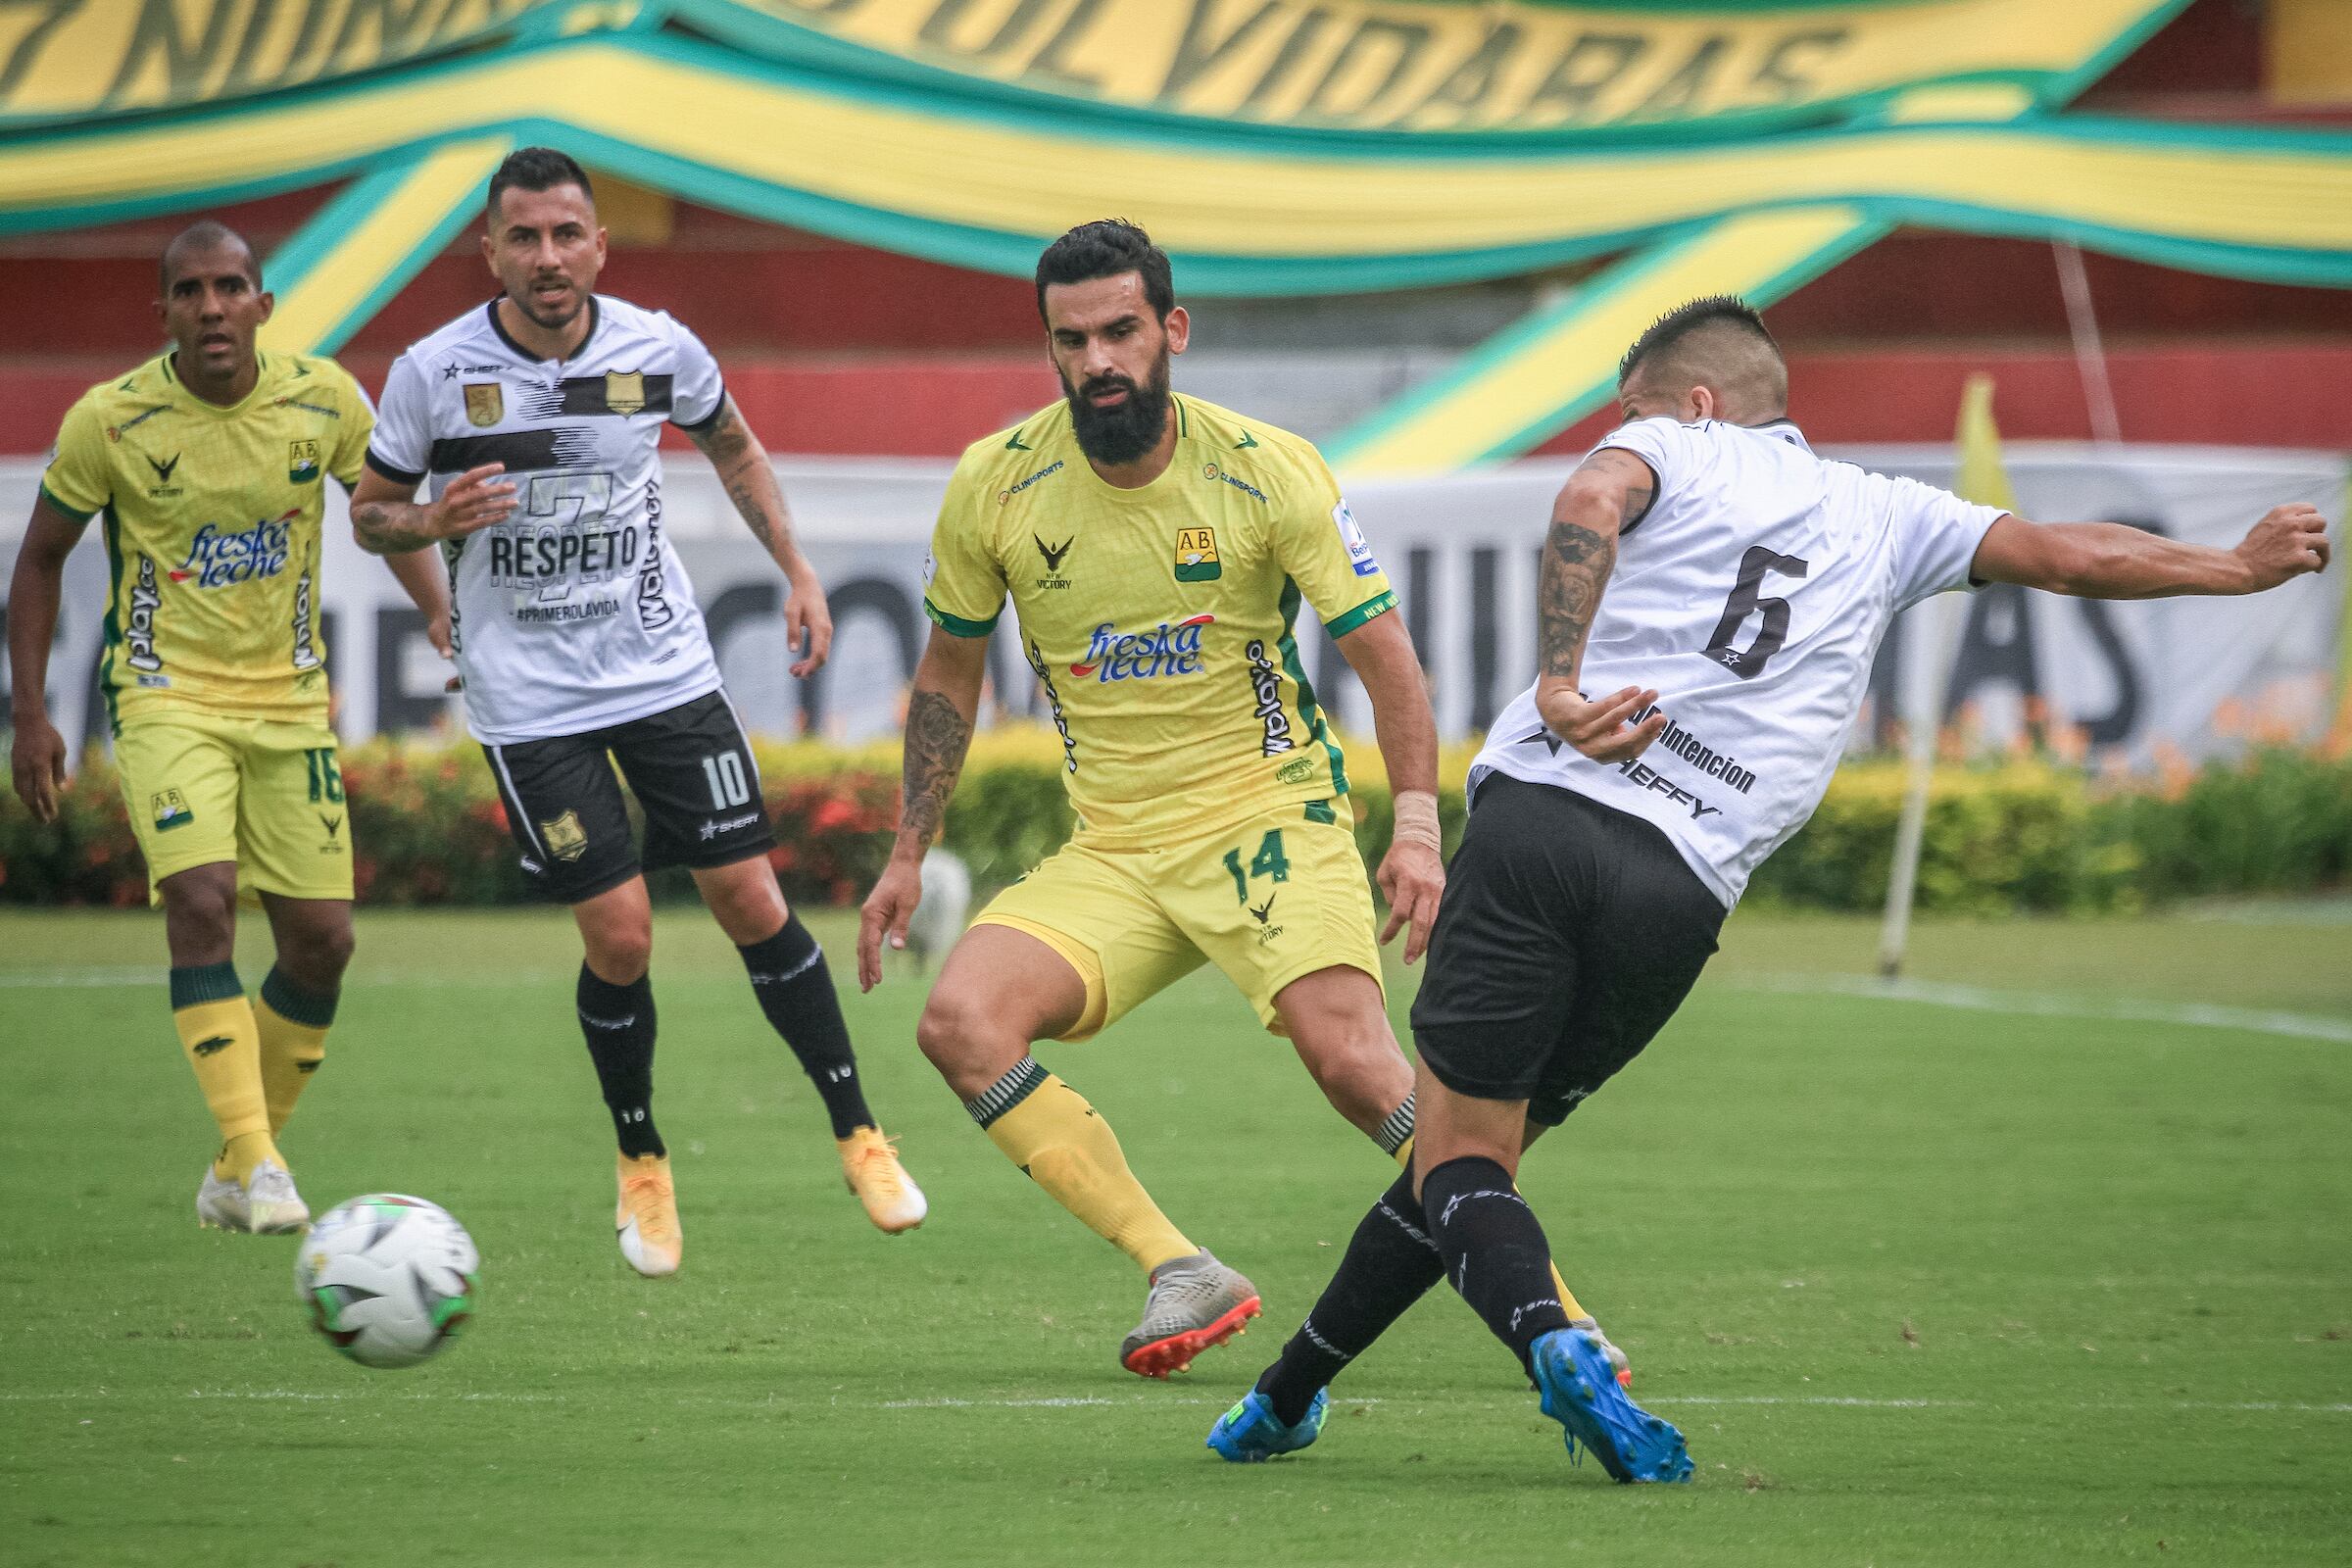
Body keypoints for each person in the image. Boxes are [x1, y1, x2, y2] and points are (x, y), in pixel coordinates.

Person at [1209, 295, 2334, 1478]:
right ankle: (1284, 1399)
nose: (1618, 427)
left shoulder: (1674, 443)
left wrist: (1557, 680)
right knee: (1463, 1165)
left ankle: (1555, 1342)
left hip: (1547, 821)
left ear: (1697, 403)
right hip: (1680, 893)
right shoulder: (1893, 511)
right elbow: (2069, 552)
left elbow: (1590, 498)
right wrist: (2237, 564)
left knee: (1460, 1167)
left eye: (1630, 407)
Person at [856, 219, 1459, 1380]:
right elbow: (949, 672)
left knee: (1352, 1060)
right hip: (1121, 849)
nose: (1099, 361)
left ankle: (1555, 1308)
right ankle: (1177, 1264)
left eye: (1121, 330)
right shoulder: (996, 485)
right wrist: (904, 851)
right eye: (1071, 339)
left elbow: (1387, 657)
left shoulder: (1265, 467)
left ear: (1171, 330)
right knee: (961, 1022)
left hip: (1267, 812)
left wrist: (1419, 828)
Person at [347, 147, 923, 1275]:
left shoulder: (658, 348)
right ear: (493, 251)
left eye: (568, 234)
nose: (548, 257)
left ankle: (860, 1133)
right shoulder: (431, 371)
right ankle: (642, 1161)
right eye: (526, 238)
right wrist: (429, 521)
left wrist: (800, 571)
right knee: (620, 933)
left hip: (662, 671)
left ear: (600, 245)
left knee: (752, 897)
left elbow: (735, 446)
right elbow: (371, 513)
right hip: (529, 700)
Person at [8, 221, 438, 1233]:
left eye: (230, 287)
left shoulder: (323, 399)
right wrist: (31, 712)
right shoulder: (108, 422)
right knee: (201, 899)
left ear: (262, 305)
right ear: (161, 312)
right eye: (191, 291)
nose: (212, 307)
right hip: (166, 699)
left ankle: (235, 1167)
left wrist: (436, 608)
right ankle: (260, 1160)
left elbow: (378, 511)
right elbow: (38, 562)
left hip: (290, 703)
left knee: (324, 942)